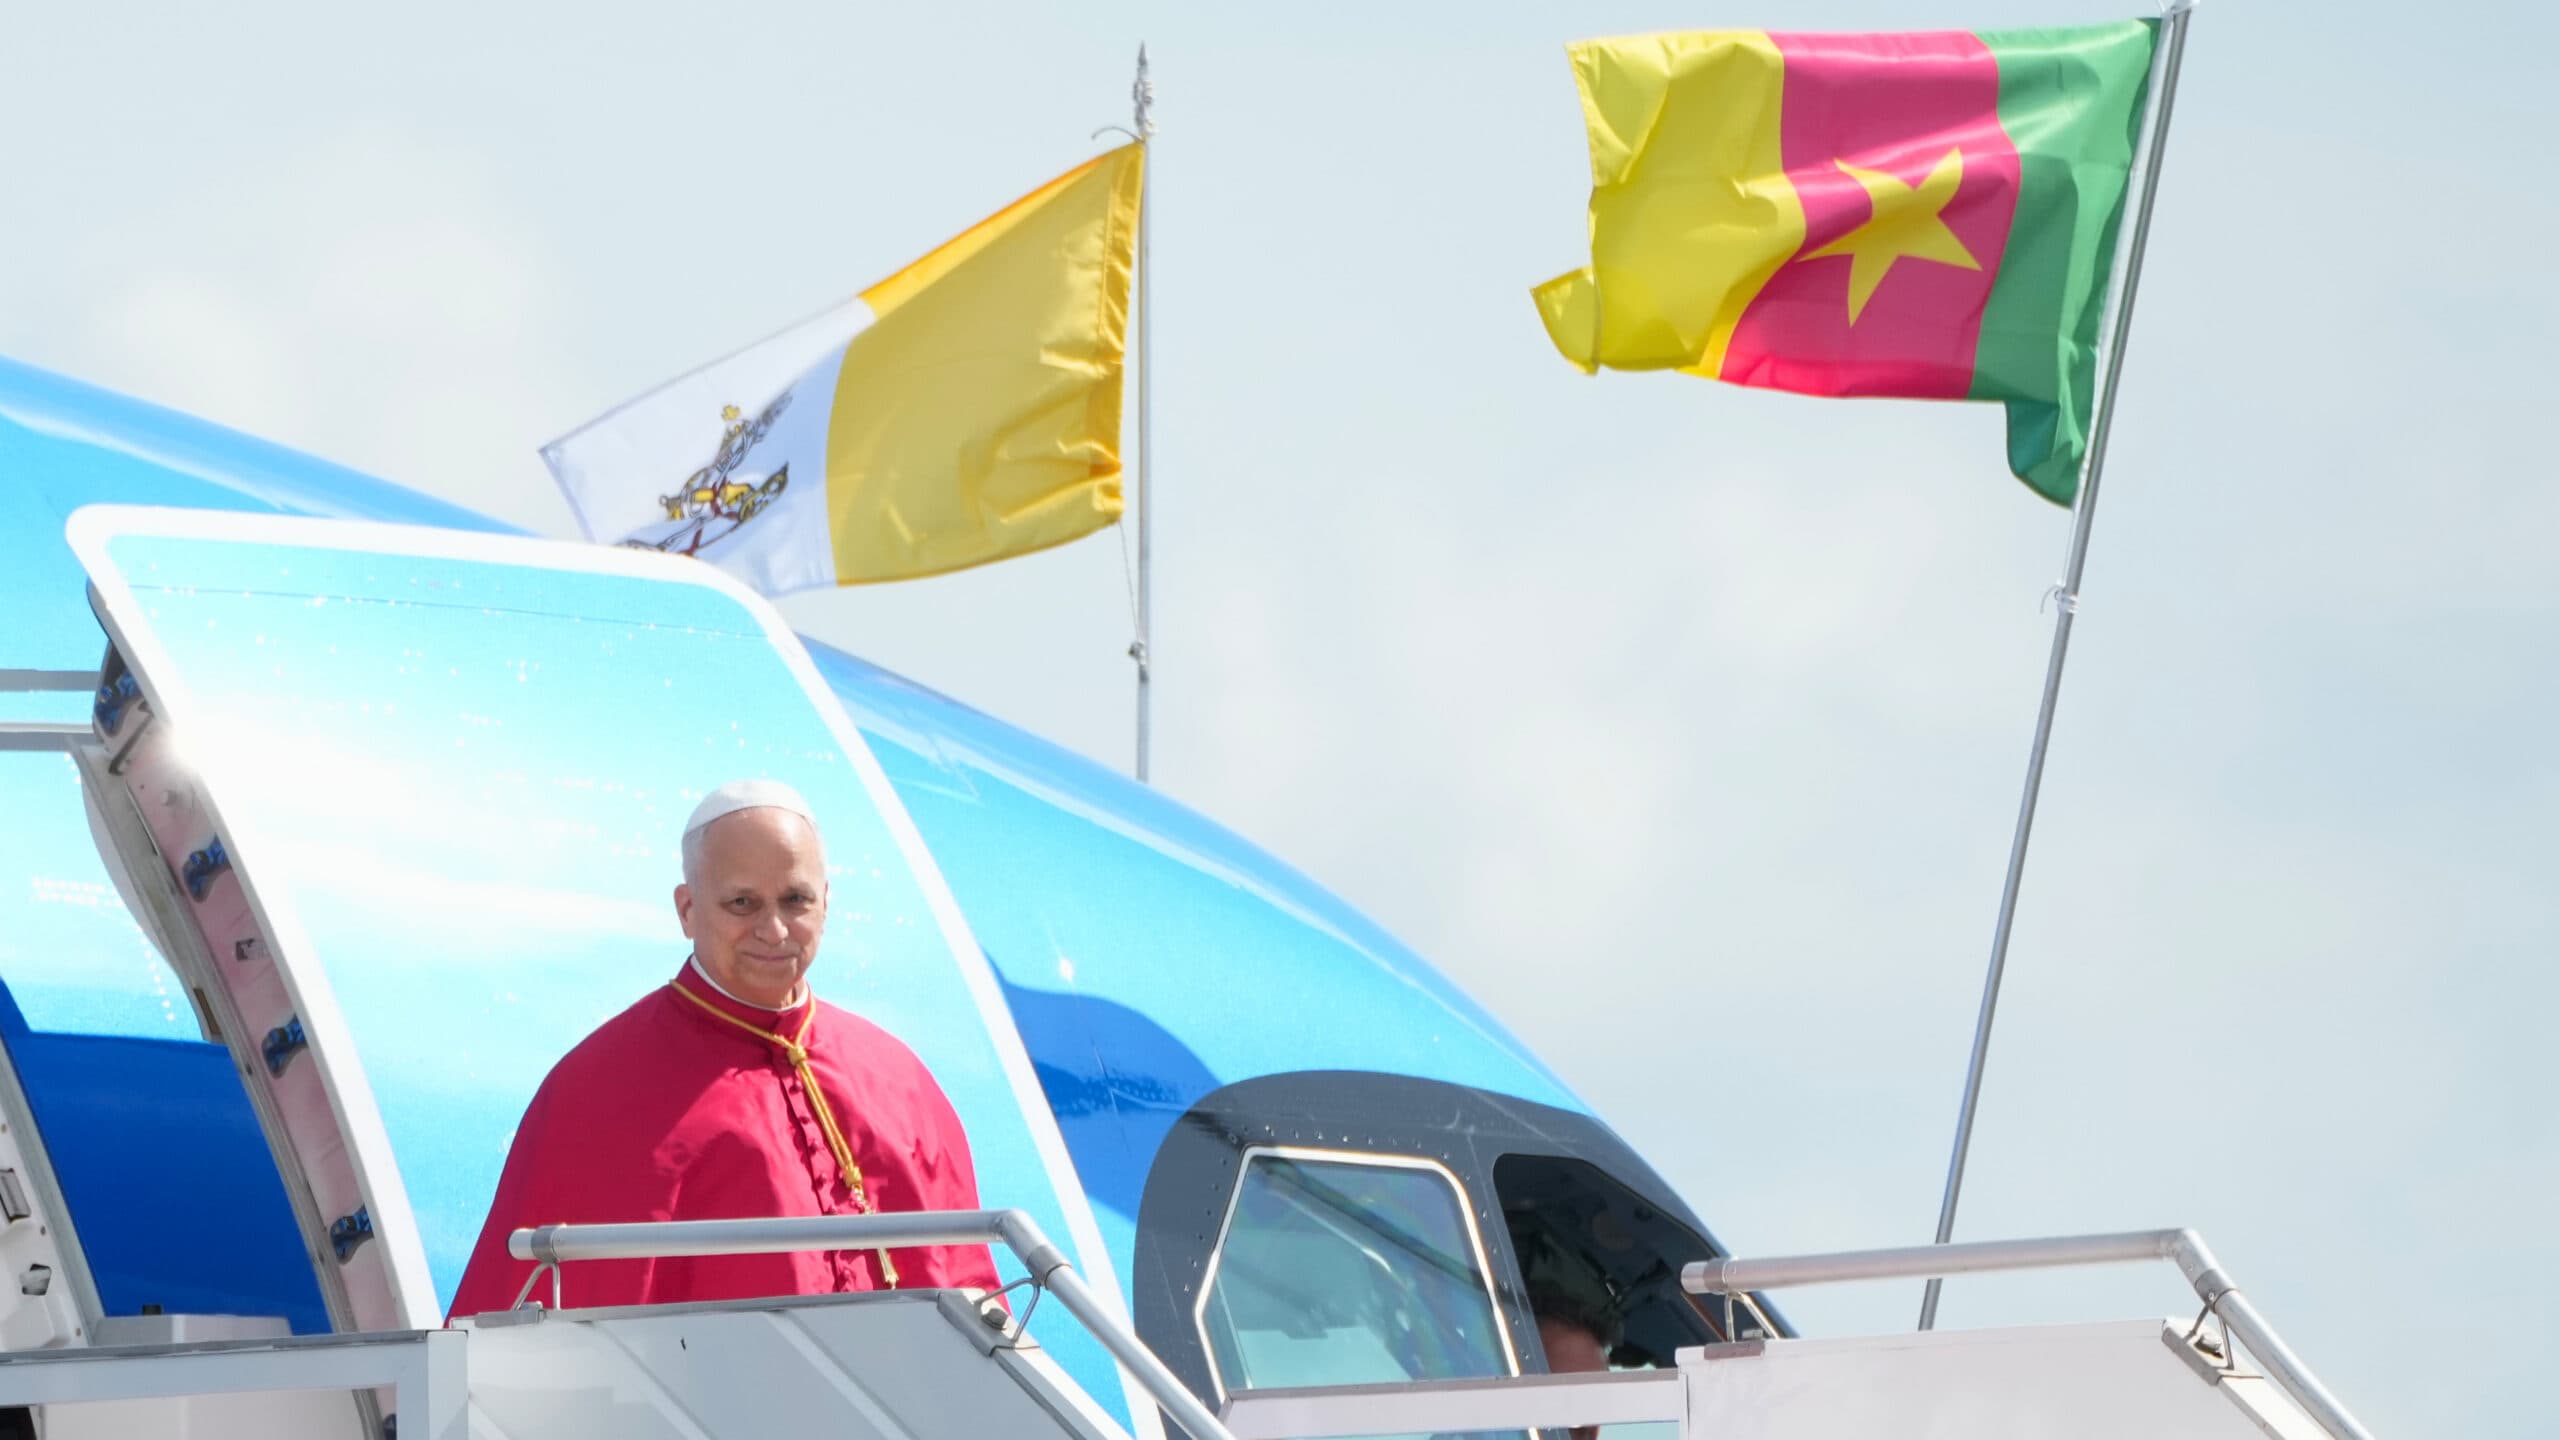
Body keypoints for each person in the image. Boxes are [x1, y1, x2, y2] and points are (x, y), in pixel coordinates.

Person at [446, 780, 1001, 1318]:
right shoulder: (597, 1090)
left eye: (795, 900)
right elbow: (522, 1331)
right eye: (742, 903)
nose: (775, 929)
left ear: (826, 903)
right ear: (687, 909)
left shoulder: (900, 1081)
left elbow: (972, 1289)